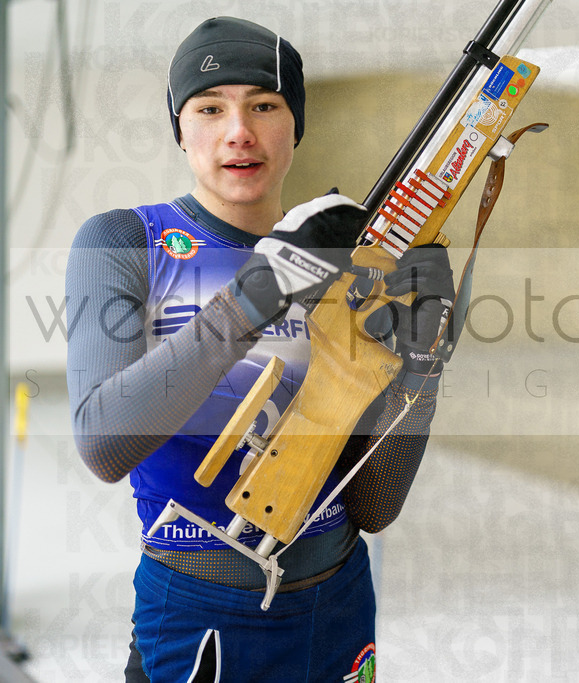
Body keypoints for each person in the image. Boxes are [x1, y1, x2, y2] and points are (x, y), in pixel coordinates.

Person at [65, 16, 453, 682]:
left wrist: (422, 364)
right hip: (199, 612)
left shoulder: (351, 263)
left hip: (339, 603)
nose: (237, 130)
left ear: (294, 126)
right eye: (209, 108)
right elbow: (104, 442)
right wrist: (255, 295)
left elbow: (375, 506)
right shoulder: (126, 242)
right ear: (179, 128)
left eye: (264, 105)